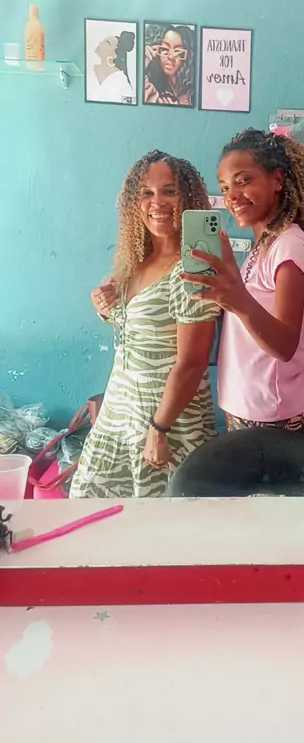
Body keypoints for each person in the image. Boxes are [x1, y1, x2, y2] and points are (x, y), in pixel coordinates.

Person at [70, 151, 219, 498]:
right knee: (94, 506)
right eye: (146, 193)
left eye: (170, 191)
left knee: (162, 521)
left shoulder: (194, 266)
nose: (158, 202)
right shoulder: (137, 261)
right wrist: (106, 306)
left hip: (168, 421)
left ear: (189, 198)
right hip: (121, 412)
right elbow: (139, 329)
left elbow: (193, 362)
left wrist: (158, 429)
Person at [181, 128, 304, 435]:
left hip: (273, 416)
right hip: (251, 408)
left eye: (244, 180)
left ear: (277, 180)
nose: (232, 196)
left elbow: (285, 345)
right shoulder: (264, 246)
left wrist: (237, 300)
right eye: (225, 187)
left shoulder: (289, 247)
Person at [144, 23, 195, 106]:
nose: (170, 57)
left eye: (178, 52)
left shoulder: (193, 89)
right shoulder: (153, 90)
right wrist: (144, 63)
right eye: (164, 49)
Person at [89, 30, 136, 104]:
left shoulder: (120, 80)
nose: (100, 43)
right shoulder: (92, 71)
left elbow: (129, 103)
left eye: (107, 43)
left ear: (114, 54)